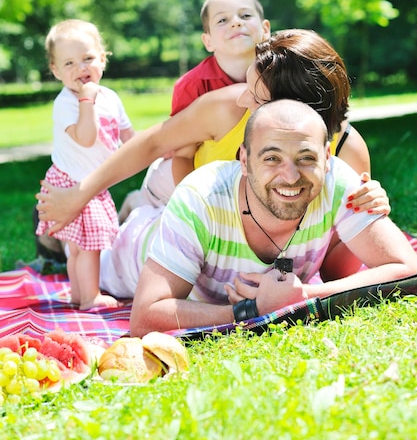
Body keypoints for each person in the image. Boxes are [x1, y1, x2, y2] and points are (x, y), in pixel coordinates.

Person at [35, 32, 390, 236]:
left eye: (256, 96)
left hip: (236, 236)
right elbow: (155, 142)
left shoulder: (346, 152)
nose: (241, 96)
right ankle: (126, 207)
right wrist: (79, 196)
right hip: (170, 194)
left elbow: (334, 255)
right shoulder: (227, 108)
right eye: (246, 83)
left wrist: (369, 214)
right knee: (95, 237)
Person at [127, 100, 417, 336]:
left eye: (306, 158)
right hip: (134, 250)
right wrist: (252, 311)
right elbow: (145, 315)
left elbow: (408, 269)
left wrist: (304, 296)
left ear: (326, 159)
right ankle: (132, 209)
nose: (290, 177)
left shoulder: (336, 180)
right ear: (244, 160)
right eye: (271, 158)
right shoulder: (200, 198)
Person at [118, 0, 270, 220]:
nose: (236, 22)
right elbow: (183, 156)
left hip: (234, 174)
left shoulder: (279, 73)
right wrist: (192, 208)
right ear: (208, 41)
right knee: (154, 219)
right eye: (222, 20)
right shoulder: (192, 85)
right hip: (179, 175)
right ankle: (135, 203)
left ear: (266, 29)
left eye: (246, 15)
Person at [35, 19, 135, 310]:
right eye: (69, 63)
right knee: (85, 246)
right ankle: (90, 296)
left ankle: (78, 296)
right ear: (56, 71)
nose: (81, 68)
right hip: (72, 182)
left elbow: (128, 135)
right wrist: (86, 101)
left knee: (79, 246)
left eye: (88, 58)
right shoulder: (67, 102)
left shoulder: (111, 98)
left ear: (103, 58)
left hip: (90, 181)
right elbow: (86, 137)